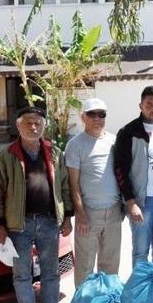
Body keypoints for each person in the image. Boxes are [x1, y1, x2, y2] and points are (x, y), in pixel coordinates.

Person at [0, 106, 72, 303]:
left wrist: (67, 216)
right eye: (28, 123)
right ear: (18, 126)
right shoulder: (6, 156)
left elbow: (64, 186)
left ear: (44, 125)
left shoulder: (54, 152)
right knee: (22, 272)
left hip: (49, 221)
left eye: (38, 123)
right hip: (18, 224)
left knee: (51, 270)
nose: (33, 127)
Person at [114, 85, 153, 266]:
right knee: (141, 252)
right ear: (140, 105)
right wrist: (131, 202)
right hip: (142, 202)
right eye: (149, 104)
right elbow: (120, 170)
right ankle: (140, 293)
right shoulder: (128, 132)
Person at [65, 98, 121, 288]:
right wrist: (80, 215)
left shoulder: (114, 141)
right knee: (85, 267)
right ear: (83, 117)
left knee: (110, 266)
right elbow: (73, 184)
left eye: (101, 114)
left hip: (113, 213)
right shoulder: (75, 145)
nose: (97, 118)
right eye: (92, 114)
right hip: (88, 214)